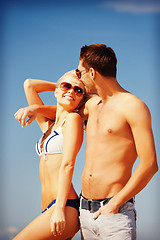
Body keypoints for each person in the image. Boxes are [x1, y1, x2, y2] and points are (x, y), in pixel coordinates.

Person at [15, 44, 158, 240]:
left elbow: (150, 164)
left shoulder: (133, 106)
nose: (78, 76)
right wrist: (35, 108)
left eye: (79, 71)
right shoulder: (92, 105)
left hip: (114, 214)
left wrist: (115, 204)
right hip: (84, 212)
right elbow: (63, 109)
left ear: (92, 72)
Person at [14, 70, 90, 240]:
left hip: (64, 207)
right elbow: (29, 85)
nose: (72, 91)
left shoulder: (73, 120)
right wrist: (64, 83)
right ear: (56, 90)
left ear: (81, 99)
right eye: (66, 86)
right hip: (48, 208)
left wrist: (59, 209)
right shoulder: (49, 127)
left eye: (78, 91)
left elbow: (68, 164)